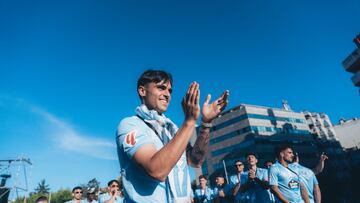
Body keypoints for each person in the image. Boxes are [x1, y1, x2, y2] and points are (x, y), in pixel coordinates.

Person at [116, 70, 229, 202]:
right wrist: (190, 121)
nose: (167, 94)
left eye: (170, 91)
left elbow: (195, 161)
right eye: (161, 88)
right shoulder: (130, 125)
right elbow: (157, 170)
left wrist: (205, 124)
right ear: (142, 91)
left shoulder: (172, 129)